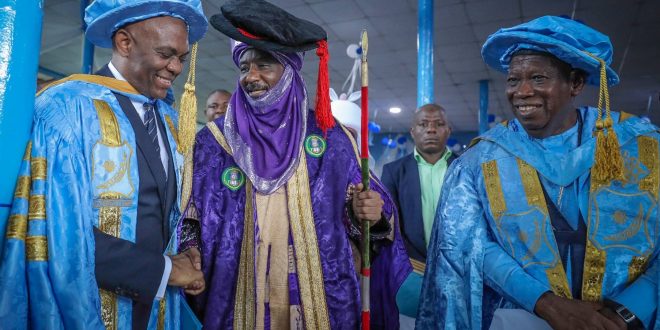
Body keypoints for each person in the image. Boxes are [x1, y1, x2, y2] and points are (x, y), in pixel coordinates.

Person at [177, 1, 411, 329]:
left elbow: (367, 217)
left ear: (288, 70)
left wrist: (368, 212)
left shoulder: (331, 138)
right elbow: (188, 216)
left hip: (316, 297)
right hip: (236, 297)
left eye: (264, 65)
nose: (251, 77)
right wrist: (190, 252)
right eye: (244, 67)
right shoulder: (212, 144)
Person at [417, 15, 660, 330]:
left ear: (574, 83)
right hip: (523, 319)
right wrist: (547, 304)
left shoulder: (640, 148)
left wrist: (627, 311)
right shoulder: (479, 162)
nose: (522, 91)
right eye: (513, 79)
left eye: (539, 78)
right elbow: (468, 244)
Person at [0, 0, 208, 328]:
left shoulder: (169, 118)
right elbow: (60, 232)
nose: (176, 68)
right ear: (124, 42)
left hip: (156, 308)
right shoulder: (67, 108)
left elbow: (161, 209)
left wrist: (182, 252)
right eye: (166, 54)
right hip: (92, 305)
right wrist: (166, 270)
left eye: (181, 58)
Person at [381, 103, 455, 327]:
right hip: (412, 271)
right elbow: (388, 223)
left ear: (448, 130)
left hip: (458, 271)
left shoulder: (465, 166)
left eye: (438, 124)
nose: (431, 130)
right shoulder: (394, 171)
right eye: (423, 124)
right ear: (413, 131)